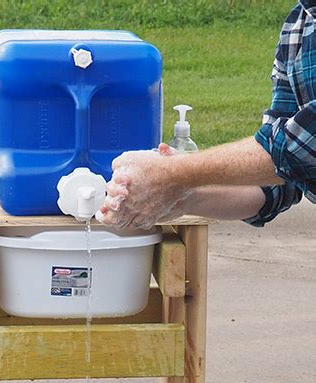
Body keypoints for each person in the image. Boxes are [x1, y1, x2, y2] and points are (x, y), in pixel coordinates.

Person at [97, 1, 315, 230]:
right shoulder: (298, 25)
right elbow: (281, 178)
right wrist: (183, 196)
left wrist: (174, 173)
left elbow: (301, 149)